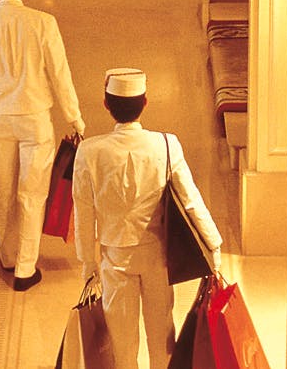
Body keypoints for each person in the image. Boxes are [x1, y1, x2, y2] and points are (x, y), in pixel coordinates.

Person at [73, 68, 223, 368]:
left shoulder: (89, 151)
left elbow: (84, 211)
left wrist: (88, 263)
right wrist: (214, 248)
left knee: (122, 346)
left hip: (114, 259)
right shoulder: (166, 145)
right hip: (158, 258)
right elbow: (191, 201)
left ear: (106, 104)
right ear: (145, 103)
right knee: (162, 339)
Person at [0, 0, 85, 292]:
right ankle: (25, 269)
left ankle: (7, 254)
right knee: (32, 194)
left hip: (1, 120)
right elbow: (60, 76)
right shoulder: (43, 24)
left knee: (2, 190)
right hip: (35, 120)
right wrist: (74, 119)